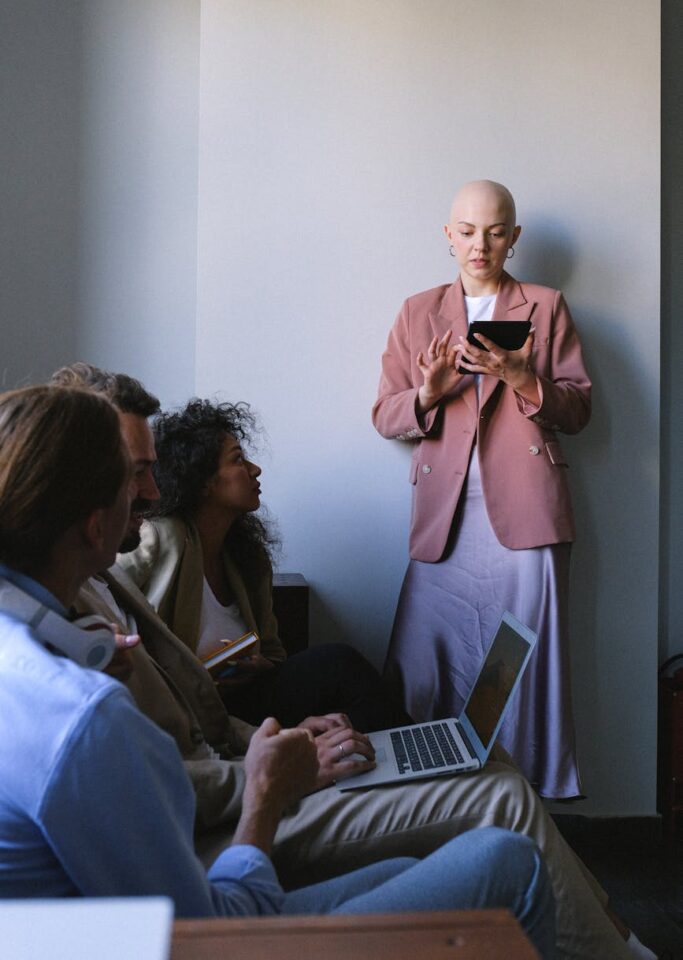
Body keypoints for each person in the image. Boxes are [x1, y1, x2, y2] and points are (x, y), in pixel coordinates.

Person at [52, 363, 648, 960]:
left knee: (488, 763)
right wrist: (278, 771)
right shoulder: (70, 632)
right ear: (80, 487)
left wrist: (286, 739)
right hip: (224, 814)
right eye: (137, 474)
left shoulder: (114, 580)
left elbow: (201, 717)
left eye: (152, 471)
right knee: (498, 798)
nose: (152, 492)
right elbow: (164, 773)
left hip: (243, 758)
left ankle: (600, 922)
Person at [373, 180, 591, 800]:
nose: (480, 244)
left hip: (526, 510)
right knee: (427, 659)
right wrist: (428, 393)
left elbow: (578, 411)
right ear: (448, 236)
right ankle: (432, 799)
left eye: (495, 231)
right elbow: (386, 415)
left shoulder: (545, 306)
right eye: (467, 231)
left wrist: (526, 379)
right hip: (446, 514)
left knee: (519, 661)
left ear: (514, 237)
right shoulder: (418, 312)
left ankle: (523, 801)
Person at [118, 397, 411, 733]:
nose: (255, 469)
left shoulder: (247, 557)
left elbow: (275, 653)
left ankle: (406, 761)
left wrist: (261, 667)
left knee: (340, 674)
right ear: (202, 481)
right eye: (238, 460)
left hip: (240, 701)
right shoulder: (162, 536)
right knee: (338, 664)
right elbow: (104, 590)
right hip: (181, 708)